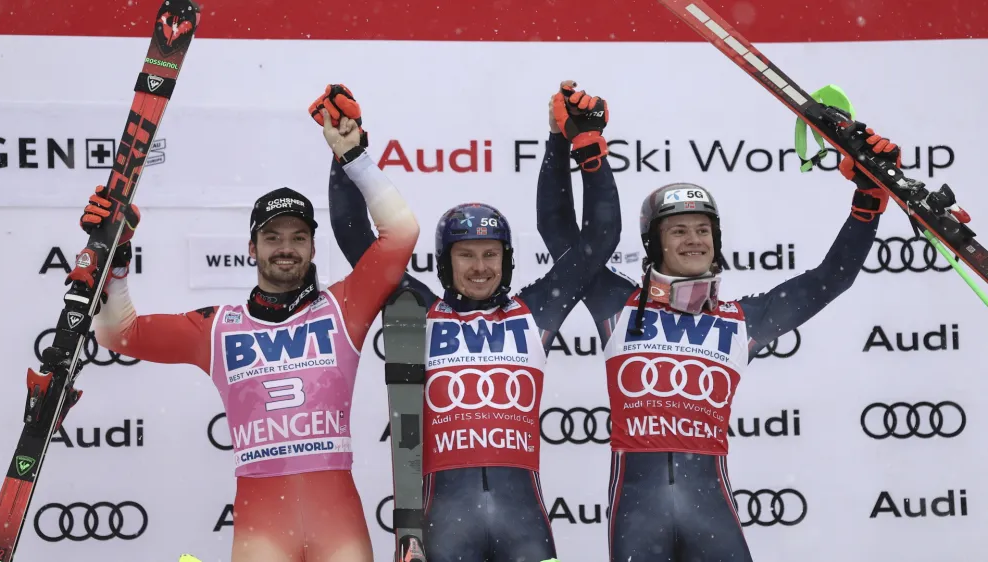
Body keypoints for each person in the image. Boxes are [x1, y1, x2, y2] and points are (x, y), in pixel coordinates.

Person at [537, 113, 899, 561]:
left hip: (711, 516)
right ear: (655, 244)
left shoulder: (740, 320)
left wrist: (866, 204)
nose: (694, 240)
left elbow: (832, 277)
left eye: (703, 230)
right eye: (679, 230)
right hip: (638, 517)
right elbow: (558, 231)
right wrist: (565, 142)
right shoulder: (618, 305)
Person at [82, 87, 420, 562]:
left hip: (337, 521)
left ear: (311, 248)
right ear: (251, 249)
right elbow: (118, 333)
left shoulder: (342, 306)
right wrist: (115, 262)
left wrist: (353, 156)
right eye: (273, 237)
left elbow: (401, 233)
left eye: (299, 237)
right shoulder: (218, 328)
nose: (286, 247)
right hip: (264, 525)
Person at [324, 81, 621, 561]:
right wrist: (347, 158)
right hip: (447, 531)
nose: (480, 267)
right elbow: (359, 240)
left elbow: (599, 238)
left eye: (490, 254)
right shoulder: (419, 313)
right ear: (446, 261)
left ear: (506, 260)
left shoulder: (535, 311)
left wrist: (580, 147)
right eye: (467, 255)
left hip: (526, 532)